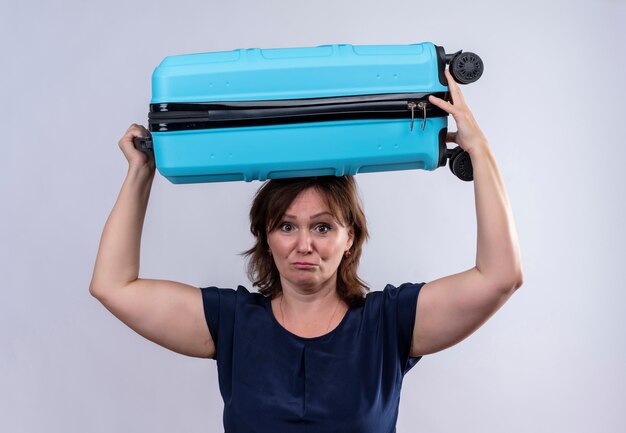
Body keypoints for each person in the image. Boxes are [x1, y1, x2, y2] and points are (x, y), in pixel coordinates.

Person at [89, 70, 523, 432]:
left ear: (349, 236)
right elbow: (113, 286)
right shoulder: (232, 323)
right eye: (286, 226)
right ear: (265, 235)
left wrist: (479, 150)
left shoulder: (389, 323)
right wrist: (140, 173)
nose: (304, 245)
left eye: (322, 226)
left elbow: (500, 277)